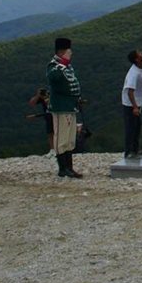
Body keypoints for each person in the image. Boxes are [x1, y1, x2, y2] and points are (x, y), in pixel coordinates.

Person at [47, 37, 83, 179]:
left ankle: (69, 167)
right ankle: (62, 168)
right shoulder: (53, 65)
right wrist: (63, 63)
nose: (71, 53)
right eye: (69, 51)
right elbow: (53, 78)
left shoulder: (67, 65)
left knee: (69, 139)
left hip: (70, 106)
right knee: (61, 138)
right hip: (60, 107)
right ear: (63, 51)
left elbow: (72, 83)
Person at [122, 50, 142, 159]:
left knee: (137, 126)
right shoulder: (133, 73)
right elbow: (130, 91)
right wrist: (135, 107)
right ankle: (128, 151)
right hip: (130, 104)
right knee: (131, 127)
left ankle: (136, 149)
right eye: (139, 53)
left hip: (139, 101)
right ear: (136, 59)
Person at [27, 87, 54, 155]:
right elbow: (31, 103)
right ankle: (52, 149)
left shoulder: (53, 95)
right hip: (48, 117)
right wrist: (38, 95)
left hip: (56, 115)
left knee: (57, 133)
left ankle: (59, 148)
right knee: (50, 133)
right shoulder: (42, 98)